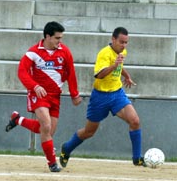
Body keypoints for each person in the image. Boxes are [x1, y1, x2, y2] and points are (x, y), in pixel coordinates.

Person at [60, 27, 146, 168]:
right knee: (89, 132)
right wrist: (114, 65)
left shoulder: (122, 51)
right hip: (100, 97)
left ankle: (137, 158)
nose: (124, 45)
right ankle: (67, 148)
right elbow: (99, 74)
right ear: (113, 39)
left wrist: (127, 76)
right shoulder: (104, 54)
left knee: (135, 121)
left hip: (117, 93)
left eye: (126, 42)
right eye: (121, 42)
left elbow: (119, 65)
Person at [5, 21, 82, 172]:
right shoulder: (33, 52)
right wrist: (35, 86)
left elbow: (71, 72)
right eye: (57, 38)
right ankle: (52, 163)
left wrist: (74, 94)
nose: (60, 41)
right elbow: (22, 72)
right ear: (47, 36)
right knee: (46, 126)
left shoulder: (64, 51)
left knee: (47, 131)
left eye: (61, 38)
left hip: (56, 96)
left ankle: (17, 119)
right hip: (39, 95)